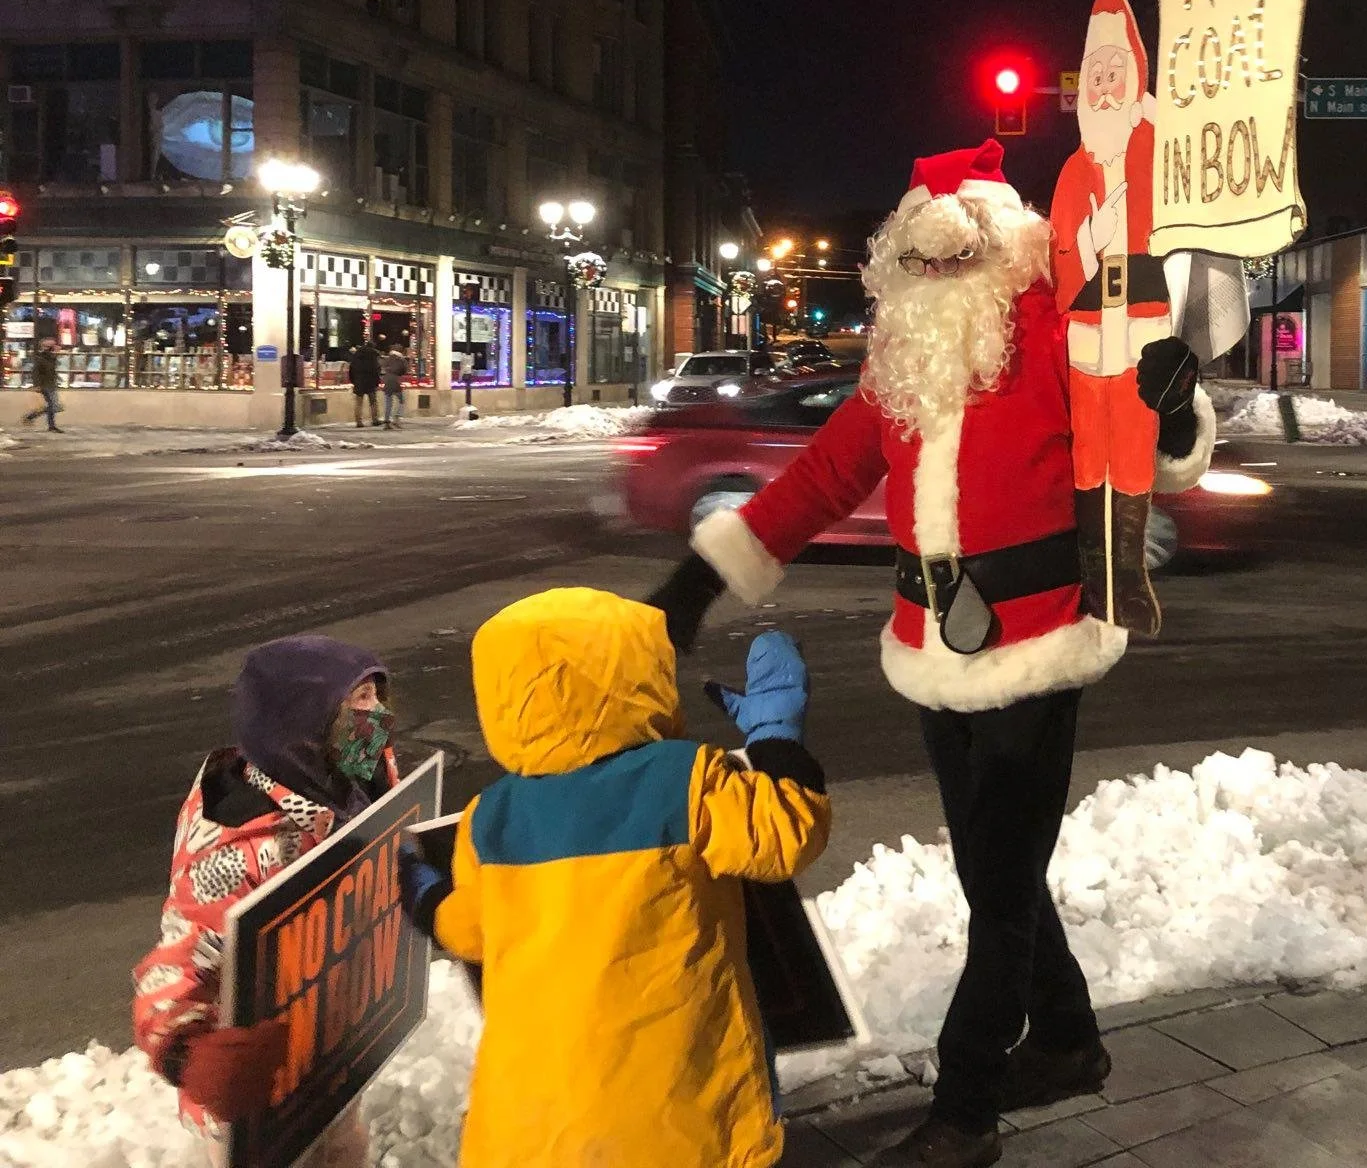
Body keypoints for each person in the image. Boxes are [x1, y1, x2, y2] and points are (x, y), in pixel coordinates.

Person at [653, 140, 1215, 1168]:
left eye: (964, 256)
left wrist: (1172, 401)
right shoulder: (899, 365)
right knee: (992, 868)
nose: (944, 273)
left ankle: (965, 1106)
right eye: (927, 260)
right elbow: (820, 478)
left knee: (997, 886)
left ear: (1009, 251)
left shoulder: (1054, 337)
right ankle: (1067, 1036)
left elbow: (1141, 442)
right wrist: (698, 583)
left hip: (1037, 642)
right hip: (926, 646)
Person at [398, 589, 829, 1168]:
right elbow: (782, 837)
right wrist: (776, 737)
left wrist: (424, 896)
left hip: (538, 1128)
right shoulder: (683, 779)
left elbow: (470, 929)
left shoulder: (491, 817)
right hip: (681, 1109)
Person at [132, 636, 398, 1167]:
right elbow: (174, 968)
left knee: (345, 1149)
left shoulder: (345, 780)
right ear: (300, 726)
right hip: (255, 1101)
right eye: (358, 702)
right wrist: (192, 1055)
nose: (378, 715)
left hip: (323, 1057)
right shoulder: (239, 849)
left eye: (377, 695)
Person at [1050, 0, 1175, 634]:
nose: (1103, 86)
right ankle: (1090, 577)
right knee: (1085, 459)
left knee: (1132, 455)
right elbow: (1059, 248)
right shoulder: (1073, 167)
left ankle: (1129, 577)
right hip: (1086, 341)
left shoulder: (1158, 145)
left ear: (1135, 74)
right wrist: (1085, 250)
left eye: (1114, 72)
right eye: (1094, 74)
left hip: (1144, 337)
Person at [20, 337, 60, 432]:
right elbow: (35, 372)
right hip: (45, 385)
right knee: (53, 405)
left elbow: (52, 369)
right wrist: (37, 385)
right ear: (46, 347)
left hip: (51, 384)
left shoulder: (50, 357)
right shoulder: (41, 358)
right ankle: (51, 426)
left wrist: (55, 354)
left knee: (54, 406)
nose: (55, 347)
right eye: (52, 346)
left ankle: (31, 417)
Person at [347, 337, 381, 427]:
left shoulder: (357, 355)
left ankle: (358, 421)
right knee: (373, 402)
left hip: (359, 381)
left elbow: (351, 369)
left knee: (358, 402)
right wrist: (377, 382)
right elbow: (376, 370)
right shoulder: (374, 355)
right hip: (371, 382)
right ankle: (375, 419)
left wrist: (354, 381)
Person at [379, 341, 408, 428]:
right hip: (395, 381)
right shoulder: (401, 360)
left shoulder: (388, 358)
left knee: (388, 402)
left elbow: (382, 366)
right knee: (402, 400)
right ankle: (397, 418)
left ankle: (387, 422)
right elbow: (404, 370)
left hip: (387, 381)